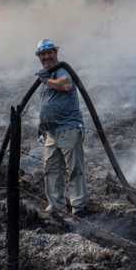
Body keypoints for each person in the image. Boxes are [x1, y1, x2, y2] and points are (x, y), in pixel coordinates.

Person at [34, 39, 89, 217]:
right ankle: (56, 206)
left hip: (68, 128)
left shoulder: (62, 70)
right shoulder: (48, 76)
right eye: (42, 54)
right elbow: (47, 104)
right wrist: (42, 125)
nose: (46, 57)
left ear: (56, 53)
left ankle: (79, 207)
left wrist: (47, 80)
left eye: (49, 52)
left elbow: (65, 85)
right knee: (51, 169)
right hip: (51, 132)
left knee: (74, 168)